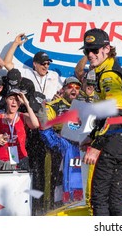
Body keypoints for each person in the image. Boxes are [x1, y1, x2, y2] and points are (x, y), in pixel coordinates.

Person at [80, 28, 122, 216]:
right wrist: (92, 136)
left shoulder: (109, 74)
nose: (91, 55)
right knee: (115, 201)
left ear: (106, 48)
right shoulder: (106, 69)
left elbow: (116, 115)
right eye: (87, 51)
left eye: (95, 50)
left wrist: (96, 145)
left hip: (114, 140)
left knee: (100, 200)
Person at [37, 77, 85, 205]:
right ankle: (52, 207)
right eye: (70, 87)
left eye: (77, 87)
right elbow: (47, 126)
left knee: (79, 182)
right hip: (59, 148)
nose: (74, 90)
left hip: (79, 149)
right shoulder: (55, 105)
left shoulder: (84, 106)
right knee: (55, 183)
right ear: (63, 89)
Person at [0, 88, 39, 170]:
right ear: (6, 100)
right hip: (0, 160)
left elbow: (35, 125)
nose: (14, 102)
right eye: (11, 99)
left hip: (20, 159)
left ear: (20, 102)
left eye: (17, 100)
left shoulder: (23, 117)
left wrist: (27, 104)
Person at [4, 33, 63, 101]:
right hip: (31, 108)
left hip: (49, 109)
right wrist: (15, 44)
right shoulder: (26, 73)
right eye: (43, 63)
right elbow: (7, 64)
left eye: (48, 63)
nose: (46, 66)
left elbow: (63, 91)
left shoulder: (54, 75)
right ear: (35, 64)